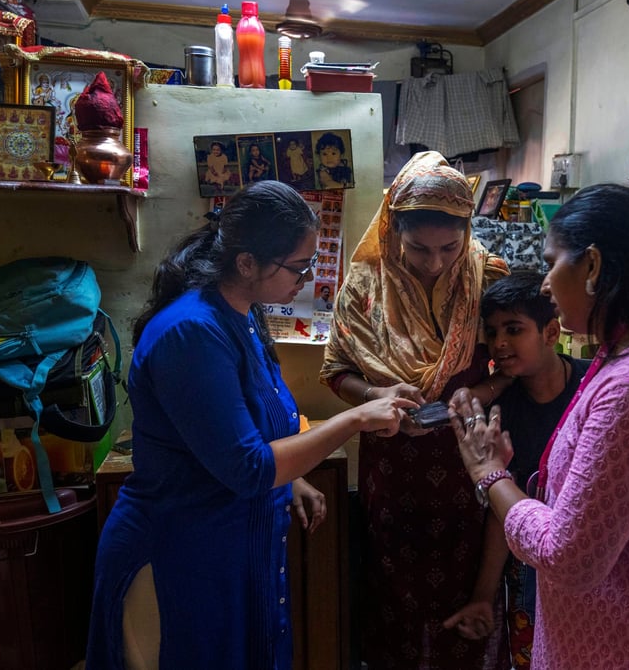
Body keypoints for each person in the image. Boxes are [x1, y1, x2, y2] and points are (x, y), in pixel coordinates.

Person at [86, 181, 415, 669]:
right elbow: (247, 466)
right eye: (298, 266)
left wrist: (292, 480)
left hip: (227, 551)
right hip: (182, 558)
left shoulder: (242, 315)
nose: (306, 277)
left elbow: (248, 431)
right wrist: (355, 419)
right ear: (245, 263)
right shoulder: (191, 333)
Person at [449, 183, 629, 669]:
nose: (545, 284)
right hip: (619, 636)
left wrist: (489, 474)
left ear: (592, 265)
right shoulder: (623, 360)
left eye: (550, 263)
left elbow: (570, 556)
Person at [319, 150, 511, 669]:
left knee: (469, 598)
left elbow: (514, 365)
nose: (435, 263)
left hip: (471, 468)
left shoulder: (487, 278)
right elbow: (336, 369)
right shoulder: (362, 289)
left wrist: (477, 398)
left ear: (467, 233)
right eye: (417, 248)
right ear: (391, 230)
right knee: (393, 600)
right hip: (393, 469)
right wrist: (374, 396)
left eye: (450, 246)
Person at [443, 271, 589, 669]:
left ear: (550, 331)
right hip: (528, 576)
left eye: (513, 329)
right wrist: (483, 596)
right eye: (491, 333)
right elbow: (503, 510)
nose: (500, 343)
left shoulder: (595, 387)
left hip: (592, 566)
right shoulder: (500, 414)